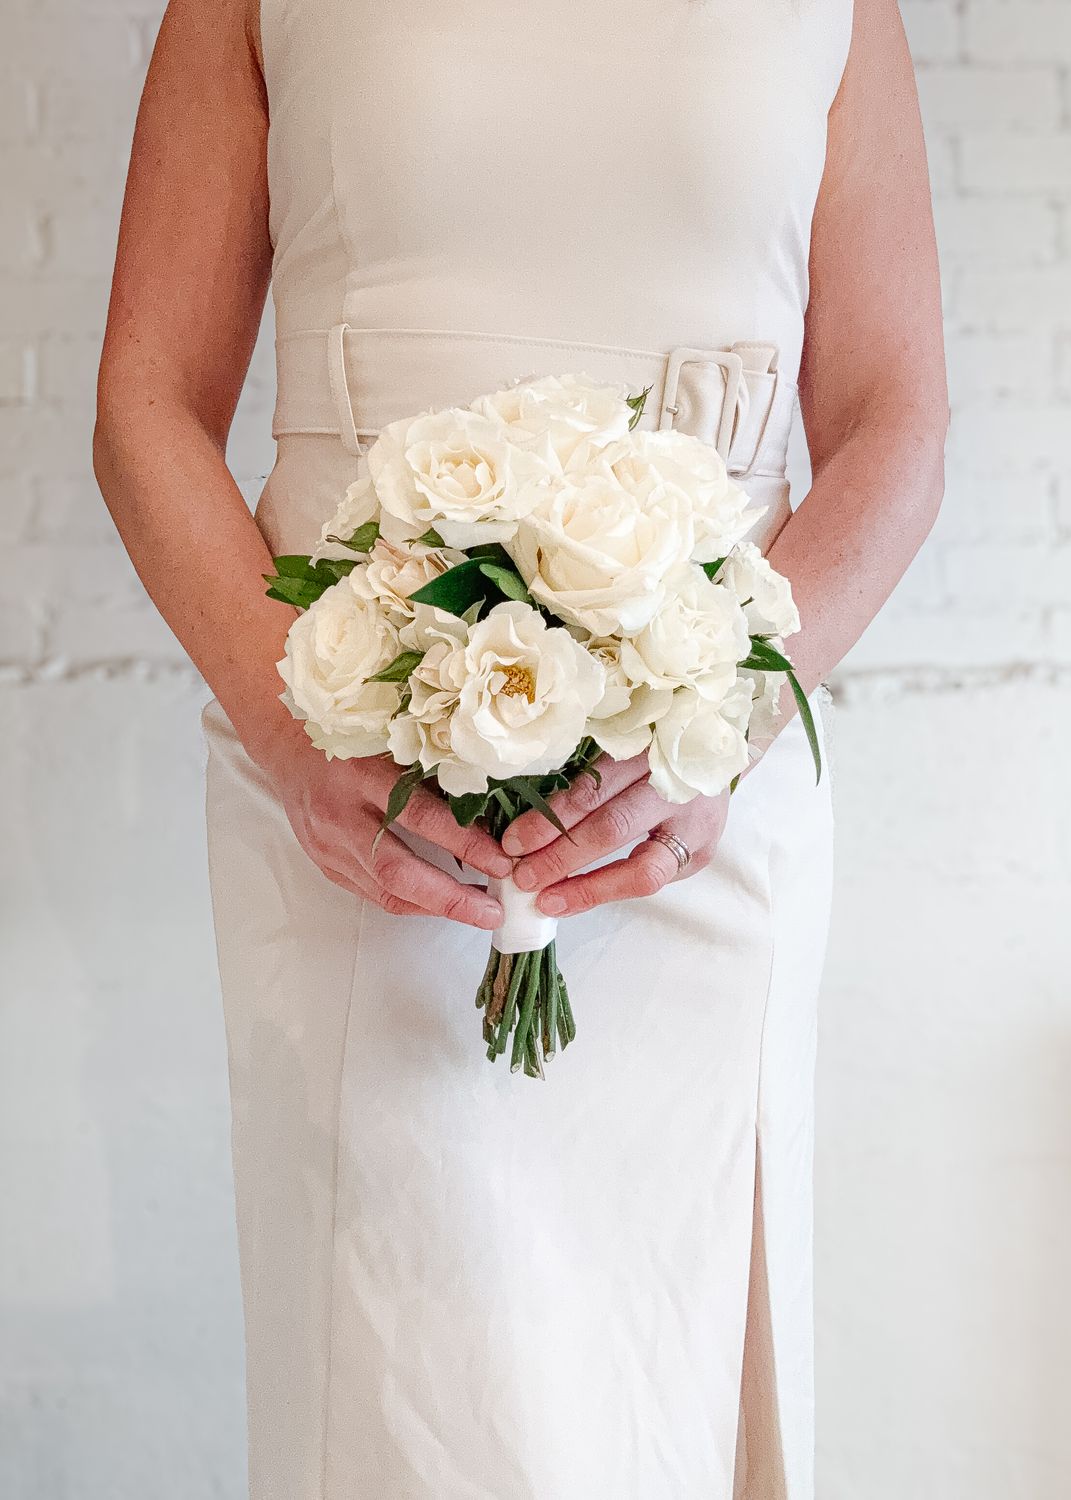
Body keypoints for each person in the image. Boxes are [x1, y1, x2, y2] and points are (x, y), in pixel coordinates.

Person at [94, 0, 947, 1495]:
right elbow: (147, 401)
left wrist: (725, 725)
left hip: (694, 806)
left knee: (675, 1375)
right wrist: (300, 734)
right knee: (402, 1387)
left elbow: (896, 416)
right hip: (357, 798)